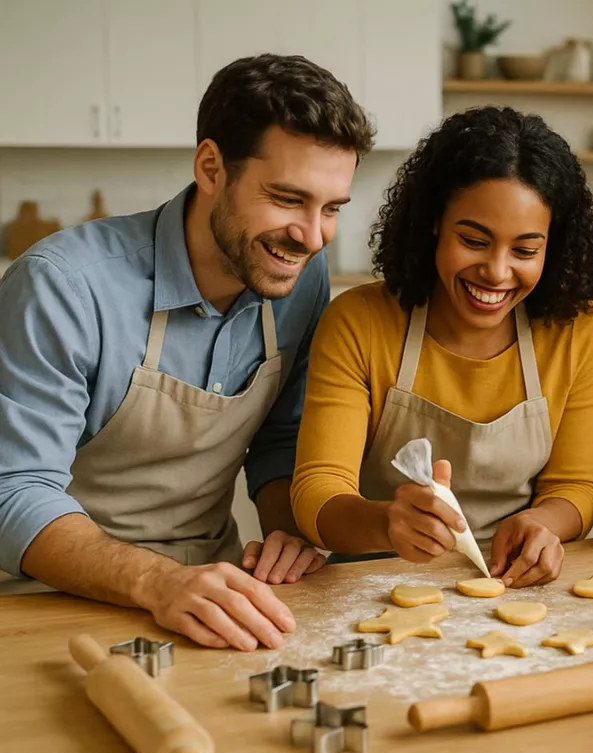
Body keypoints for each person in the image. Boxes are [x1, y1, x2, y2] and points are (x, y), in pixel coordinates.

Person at [0, 54, 376, 648]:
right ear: (210, 168)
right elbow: (13, 491)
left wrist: (286, 534)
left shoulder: (298, 274)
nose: (311, 236)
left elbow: (280, 439)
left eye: (331, 209)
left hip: (214, 590)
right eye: (286, 198)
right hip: (44, 598)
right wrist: (158, 581)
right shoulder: (64, 285)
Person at [290, 106, 593, 588]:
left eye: (525, 250)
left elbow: (576, 486)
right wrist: (386, 524)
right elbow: (318, 491)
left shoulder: (576, 331)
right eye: (474, 240)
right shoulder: (359, 323)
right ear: (434, 222)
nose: (497, 273)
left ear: (552, 247)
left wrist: (546, 523)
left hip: (514, 586)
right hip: (374, 585)